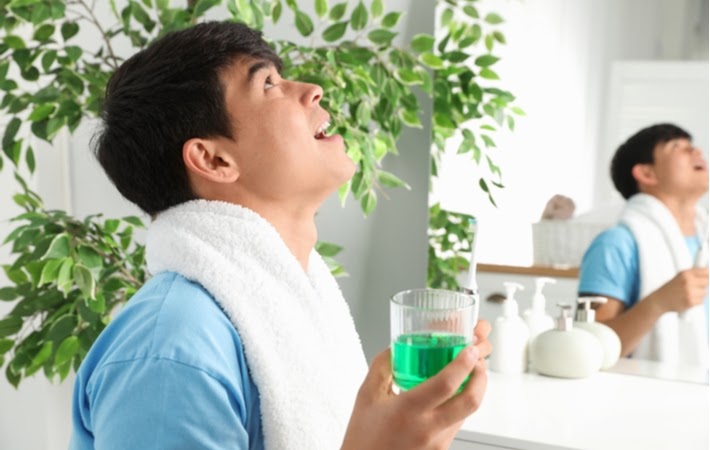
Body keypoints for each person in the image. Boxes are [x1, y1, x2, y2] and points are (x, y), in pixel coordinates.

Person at [69, 21, 492, 450]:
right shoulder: (171, 353)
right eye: (268, 83)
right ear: (213, 159)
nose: (312, 90)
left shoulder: (290, 304)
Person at [578, 123, 709, 367]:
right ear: (647, 174)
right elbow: (590, 348)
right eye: (679, 147)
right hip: (650, 396)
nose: (696, 152)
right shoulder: (616, 244)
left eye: (692, 146)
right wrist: (658, 303)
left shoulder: (705, 239)